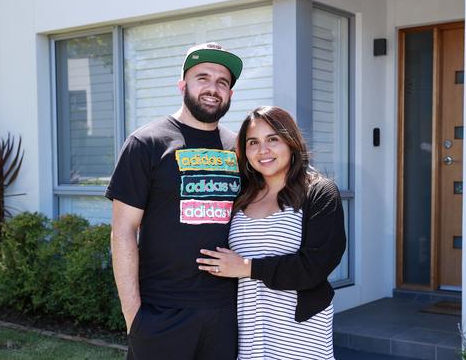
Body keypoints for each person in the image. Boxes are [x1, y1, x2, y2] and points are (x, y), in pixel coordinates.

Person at [106, 43, 243, 360]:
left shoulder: (238, 148)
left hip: (225, 314)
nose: (212, 88)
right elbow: (123, 231)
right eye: (202, 78)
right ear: (183, 85)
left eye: (222, 82)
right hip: (161, 313)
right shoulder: (147, 143)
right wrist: (134, 317)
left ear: (230, 94)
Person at [197, 106, 346, 360]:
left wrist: (248, 267)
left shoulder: (320, 193)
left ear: (291, 142)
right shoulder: (241, 196)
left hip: (299, 334)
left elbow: (316, 265)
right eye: (253, 142)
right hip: (249, 330)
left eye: (273, 139)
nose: (262, 150)